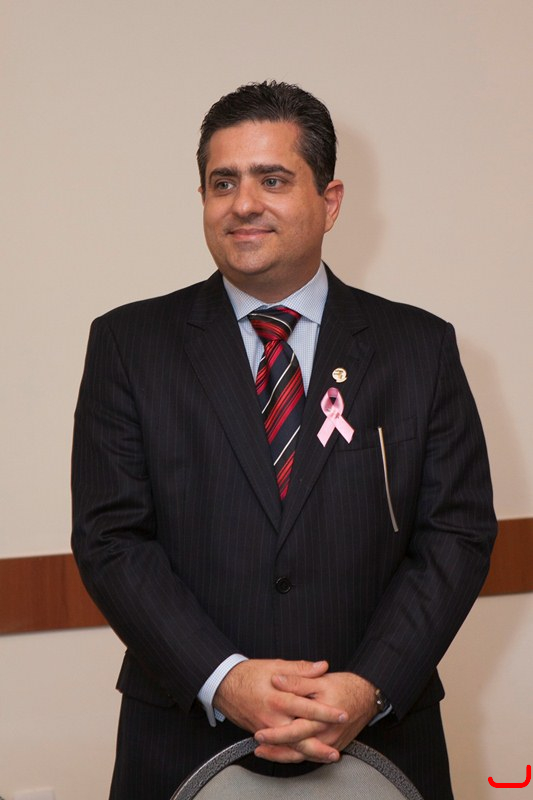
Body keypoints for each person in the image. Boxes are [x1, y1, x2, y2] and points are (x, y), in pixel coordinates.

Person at [71, 81, 497, 800]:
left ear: (329, 202)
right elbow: (111, 539)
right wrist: (224, 679)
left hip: (380, 734)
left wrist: (367, 687)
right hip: (183, 734)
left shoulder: (418, 348)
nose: (243, 203)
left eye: (272, 179)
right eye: (223, 183)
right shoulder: (128, 345)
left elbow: (456, 534)